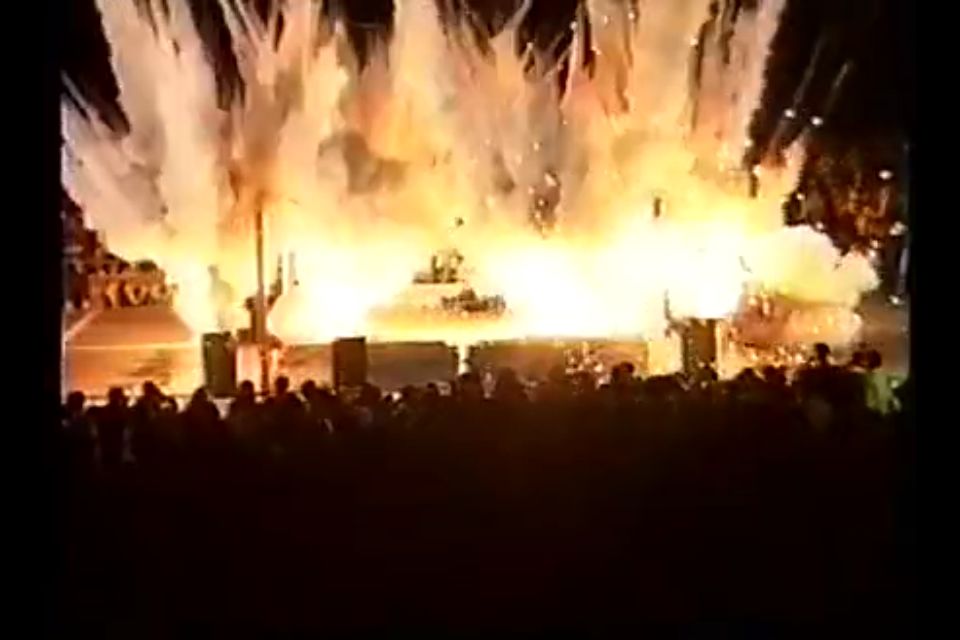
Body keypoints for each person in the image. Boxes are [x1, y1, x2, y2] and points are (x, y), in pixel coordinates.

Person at [96, 387, 131, 471]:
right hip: (114, 445)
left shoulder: (104, 410)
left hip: (109, 445)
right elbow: (124, 421)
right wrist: (125, 405)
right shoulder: (114, 410)